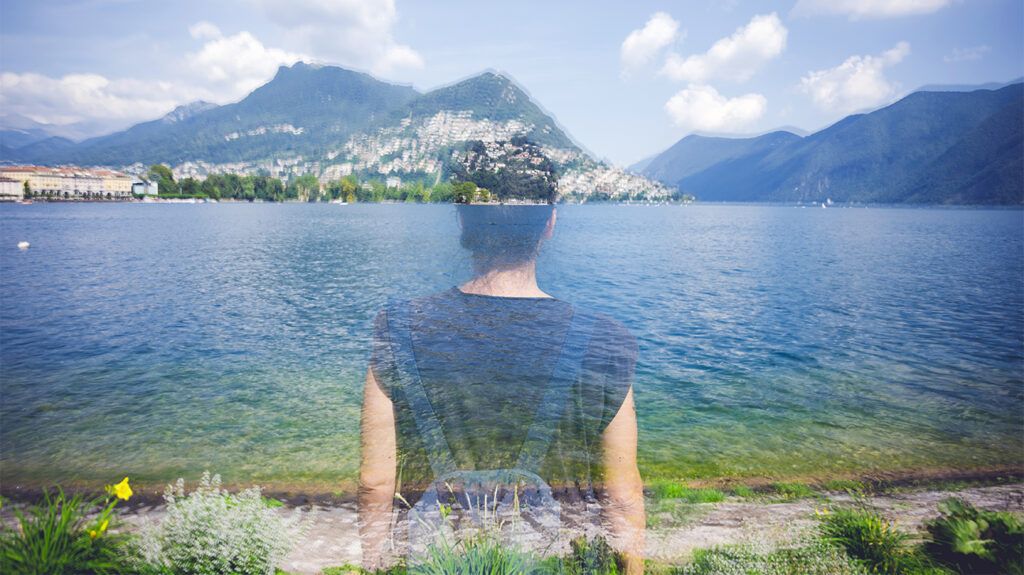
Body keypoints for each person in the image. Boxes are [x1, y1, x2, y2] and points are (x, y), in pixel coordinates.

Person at [358, 149, 643, 573]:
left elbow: (374, 483)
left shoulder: (399, 326)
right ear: (549, 224)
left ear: (461, 222)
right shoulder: (603, 339)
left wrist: (371, 565)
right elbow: (622, 498)